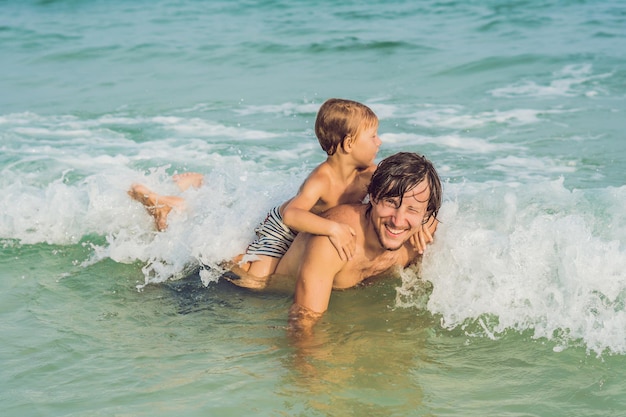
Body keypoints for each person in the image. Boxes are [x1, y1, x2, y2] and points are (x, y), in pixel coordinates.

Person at [131, 99, 438, 284]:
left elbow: (406, 191)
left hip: (305, 227)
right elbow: (292, 214)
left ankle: (199, 189)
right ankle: (201, 241)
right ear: (348, 145)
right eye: (373, 136)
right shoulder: (323, 178)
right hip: (285, 227)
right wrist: (333, 228)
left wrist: (423, 221)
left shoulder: (370, 173)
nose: (380, 142)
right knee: (255, 277)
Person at [254, 152, 443, 336]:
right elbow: (303, 327)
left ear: (426, 213)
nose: (398, 221)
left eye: (412, 209)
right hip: (260, 298)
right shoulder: (334, 243)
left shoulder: (422, 235)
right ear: (374, 197)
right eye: (391, 202)